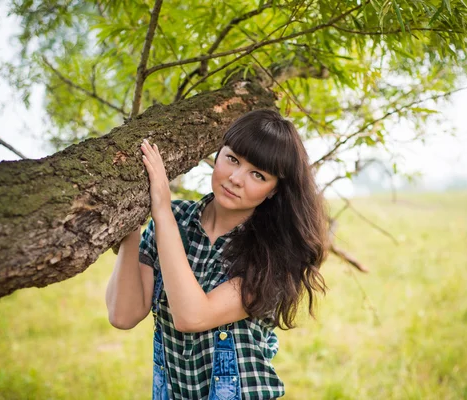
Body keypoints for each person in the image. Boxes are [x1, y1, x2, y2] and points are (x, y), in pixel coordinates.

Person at [105, 109, 328, 399]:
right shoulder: (177, 221)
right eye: (232, 159)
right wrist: (131, 227)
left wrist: (160, 210)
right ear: (218, 153)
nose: (236, 178)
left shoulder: (274, 255)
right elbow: (123, 315)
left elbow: (192, 316)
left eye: (257, 175)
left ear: (273, 190)